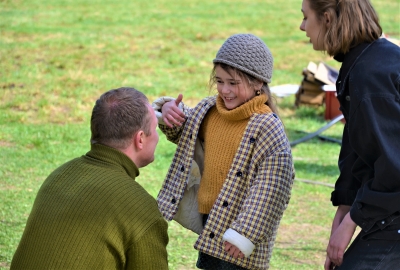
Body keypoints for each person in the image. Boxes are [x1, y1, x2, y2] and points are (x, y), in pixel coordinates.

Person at [153, 34, 295, 270]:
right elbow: (185, 131)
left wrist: (244, 234)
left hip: (243, 229)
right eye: (219, 81)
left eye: (233, 83)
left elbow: (273, 187)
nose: (225, 90)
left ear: (258, 82)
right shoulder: (210, 110)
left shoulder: (266, 126)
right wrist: (169, 112)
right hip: (212, 219)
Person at [10, 87, 169, 269]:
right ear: (140, 139)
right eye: (155, 129)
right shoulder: (140, 208)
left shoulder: (60, 175)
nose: (157, 137)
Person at [300, 0, 400, 269]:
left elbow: (394, 167)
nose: (302, 27)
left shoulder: (371, 76)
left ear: (328, 19)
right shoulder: (362, 63)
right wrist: (344, 209)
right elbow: (359, 150)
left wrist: (351, 223)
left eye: (306, 17)